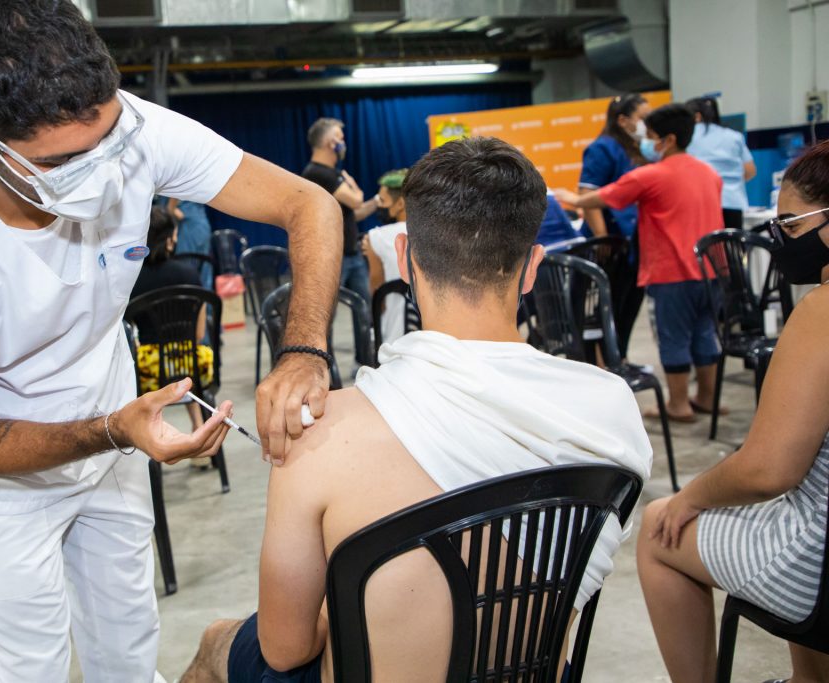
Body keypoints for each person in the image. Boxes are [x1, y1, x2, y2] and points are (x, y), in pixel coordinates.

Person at [0, 1, 343, 680]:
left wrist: (304, 349)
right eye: (62, 161)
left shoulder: (133, 129)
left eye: (108, 140)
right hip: (4, 477)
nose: (101, 171)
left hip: (117, 428)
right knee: (29, 664)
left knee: (128, 641)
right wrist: (116, 429)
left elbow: (308, 204)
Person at [179, 137, 653, 683]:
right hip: (533, 674)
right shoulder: (610, 407)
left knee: (218, 640)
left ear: (403, 258)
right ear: (532, 268)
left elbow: (286, 650)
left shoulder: (321, 434)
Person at [636, 139, 829, 683]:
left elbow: (769, 470)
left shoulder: (820, 313)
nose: (779, 239)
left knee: (657, 527)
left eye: (789, 225)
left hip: (816, 572)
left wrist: (689, 497)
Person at [555, 104, 724, 423]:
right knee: (704, 334)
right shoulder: (709, 173)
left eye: (652, 136)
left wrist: (573, 199)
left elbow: (603, 196)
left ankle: (678, 405)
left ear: (668, 140)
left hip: (672, 272)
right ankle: (706, 398)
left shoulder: (651, 175)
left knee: (673, 338)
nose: (646, 142)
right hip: (710, 271)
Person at [131, 206, 214, 469]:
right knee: (184, 366)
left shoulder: (132, 281)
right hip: (192, 366)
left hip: (149, 371)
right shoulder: (190, 275)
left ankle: (155, 437)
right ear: (170, 239)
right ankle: (199, 431)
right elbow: (199, 334)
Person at [578, 93, 651, 359]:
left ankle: (620, 358)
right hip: (611, 244)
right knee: (608, 308)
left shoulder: (639, 149)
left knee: (630, 303)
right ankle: (603, 362)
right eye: (642, 117)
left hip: (635, 242)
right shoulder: (603, 148)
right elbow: (587, 195)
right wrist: (602, 238)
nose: (647, 123)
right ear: (622, 120)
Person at [302, 117, 379, 305]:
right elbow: (356, 201)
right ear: (331, 143)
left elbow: (352, 214)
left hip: (351, 252)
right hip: (334, 257)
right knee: (326, 311)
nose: (343, 143)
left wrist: (377, 202)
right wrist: (354, 187)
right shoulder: (317, 173)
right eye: (340, 138)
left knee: (364, 307)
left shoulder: (333, 173)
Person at [685, 96, 757, 229]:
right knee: (731, 241)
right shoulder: (734, 136)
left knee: (704, 241)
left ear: (697, 117)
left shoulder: (687, 137)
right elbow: (750, 171)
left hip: (700, 203)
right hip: (733, 203)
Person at [362, 168, 408, 345]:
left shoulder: (376, 238)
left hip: (394, 336)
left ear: (400, 203)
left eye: (382, 200)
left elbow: (377, 294)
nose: (379, 206)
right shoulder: (436, 233)